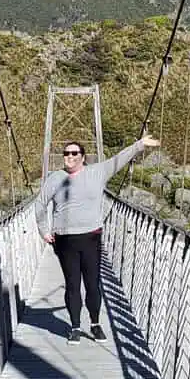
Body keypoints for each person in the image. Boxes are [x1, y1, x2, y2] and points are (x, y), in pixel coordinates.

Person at [35, 134, 159, 342]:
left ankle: (95, 324)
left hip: (91, 237)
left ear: (83, 157)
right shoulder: (54, 178)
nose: (69, 156)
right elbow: (40, 204)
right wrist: (43, 230)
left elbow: (120, 158)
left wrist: (140, 145)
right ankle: (75, 328)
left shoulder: (98, 172)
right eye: (66, 153)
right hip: (64, 239)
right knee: (72, 284)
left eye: (74, 153)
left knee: (92, 283)